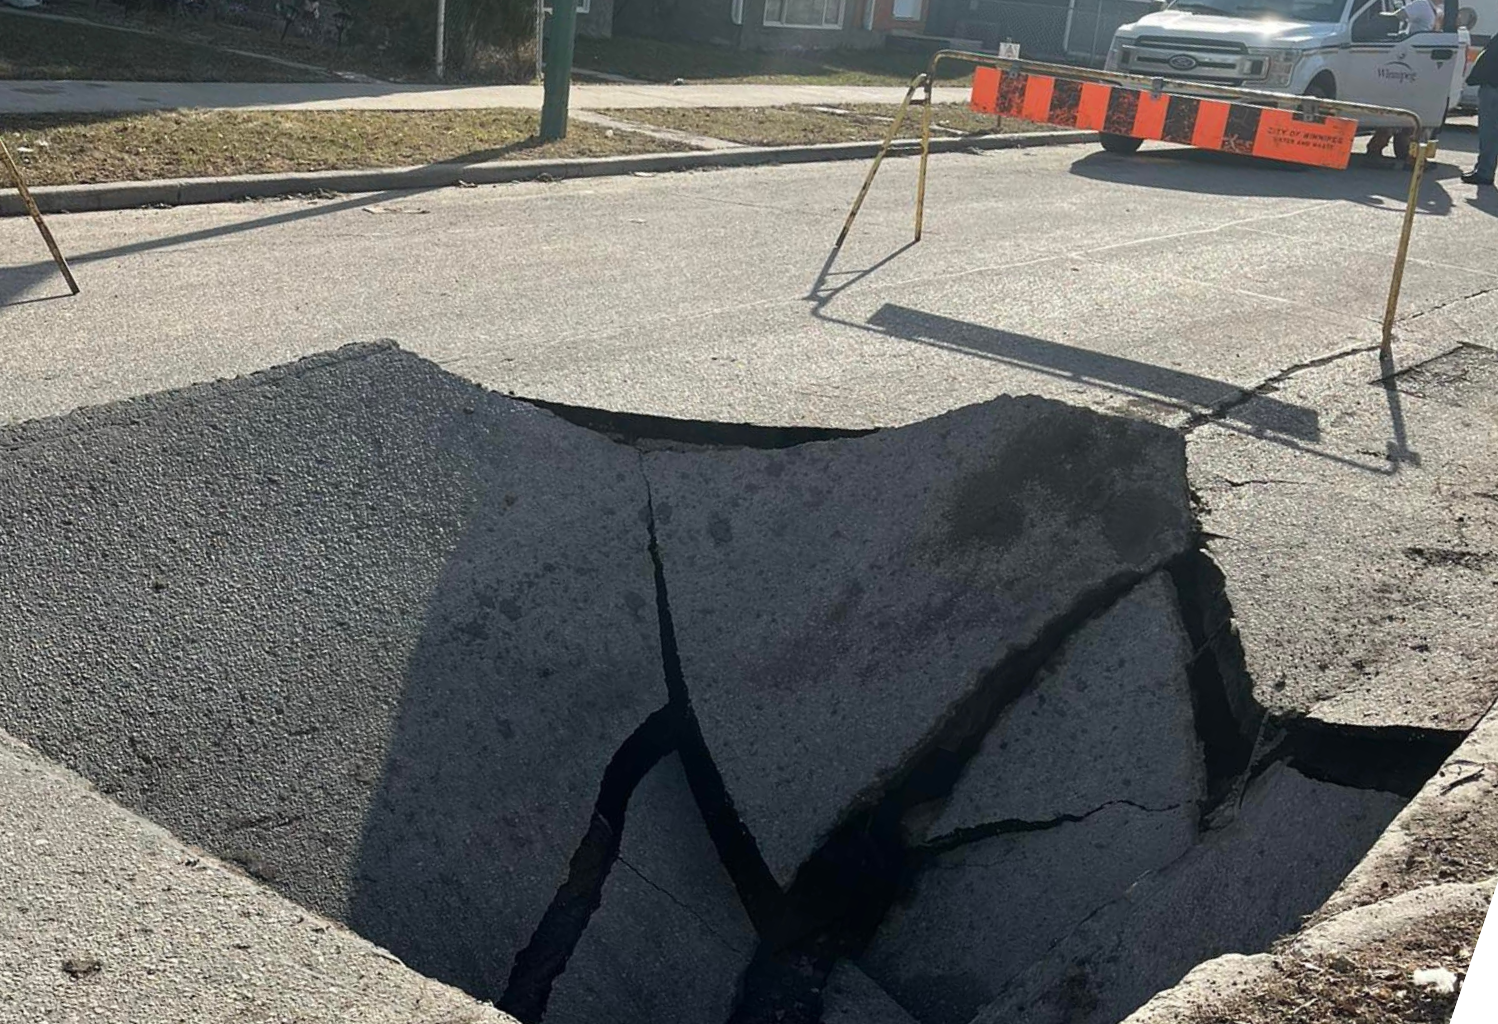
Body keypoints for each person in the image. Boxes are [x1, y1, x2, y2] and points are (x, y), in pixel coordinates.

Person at [1368, 0, 1439, 160]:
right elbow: (1396, 17)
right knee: (1398, 109)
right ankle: (1376, 148)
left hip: (1417, 64)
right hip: (1409, 59)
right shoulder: (1421, 4)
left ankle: (1405, 150)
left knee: (1409, 113)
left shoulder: (1434, 10)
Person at [1464, 43, 1498, 183]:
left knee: (1489, 131)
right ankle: (1484, 169)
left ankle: (1484, 171)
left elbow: (1489, 58)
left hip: (1493, 86)